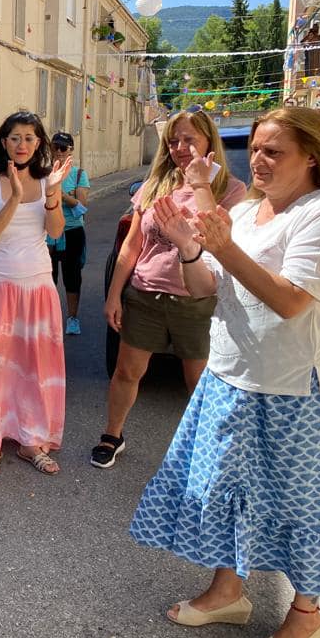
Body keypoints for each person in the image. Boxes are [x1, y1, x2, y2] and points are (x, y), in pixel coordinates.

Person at [130, 108, 320, 638]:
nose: (259, 161)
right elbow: (206, 288)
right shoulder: (246, 211)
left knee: (301, 506)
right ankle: (229, 592)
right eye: (257, 149)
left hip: (295, 389)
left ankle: (308, 617)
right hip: (231, 375)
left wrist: (221, 247)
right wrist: (191, 248)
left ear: (312, 155)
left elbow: (291, 300)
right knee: (226, 492)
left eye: (276, 151)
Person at [92, 109, 246, 469]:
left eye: (189, 139)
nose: (179, 147)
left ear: (209, 141)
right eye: (173, 140)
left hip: (197, 301)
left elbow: (220, 243)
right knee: (127, 372)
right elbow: (131, 246)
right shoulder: (155, 185)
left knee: (199, 382)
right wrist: (114, 294)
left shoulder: (230, 190)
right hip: (145, 294)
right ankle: (112, 435)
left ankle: (203, 448)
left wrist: (200, 185)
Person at [0, 111, 73, 479]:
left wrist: (52, 191)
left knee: (34, 366)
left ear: (38, 143)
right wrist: (16, 197)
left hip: (38, 285)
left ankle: (31, 439)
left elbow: (56, 232)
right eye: (14, 138)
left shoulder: (46, 182)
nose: (21, 144)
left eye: (28, 138)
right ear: (4, 142)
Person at [46, 132, 90, 336]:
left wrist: (58, 193)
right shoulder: (44, 172)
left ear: (71, 151)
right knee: (48, 276)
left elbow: (81, 205)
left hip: (72, 231)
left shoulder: (79, 174)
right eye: (55, 147)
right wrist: (67, 197)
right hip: (48, 232)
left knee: (72, 277)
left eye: (63, 148)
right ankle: (50, 316)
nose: (58, 152)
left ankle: (72, 317)